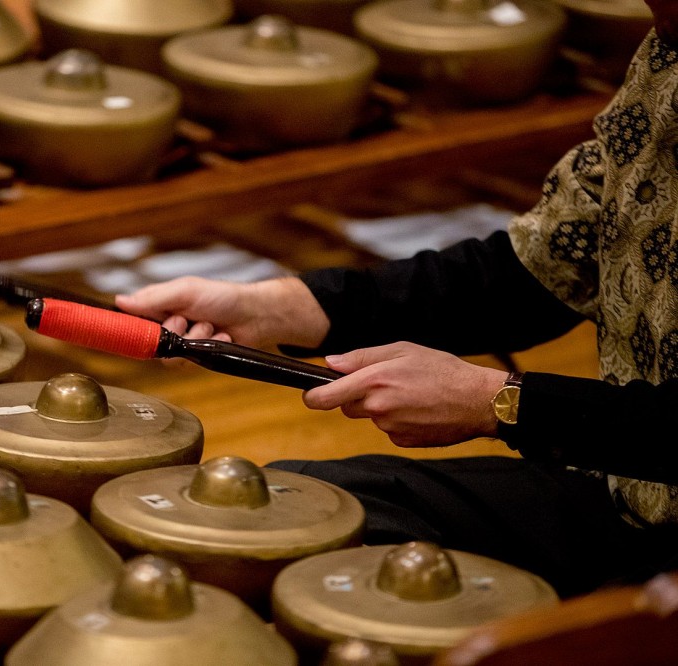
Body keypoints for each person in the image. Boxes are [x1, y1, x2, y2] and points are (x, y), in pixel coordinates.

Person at [114, 2, 678, 600]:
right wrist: (281, 307)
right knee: (289, 511)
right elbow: (542, 265)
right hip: (632, 482)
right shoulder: (665, 54)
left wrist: (501, 403)